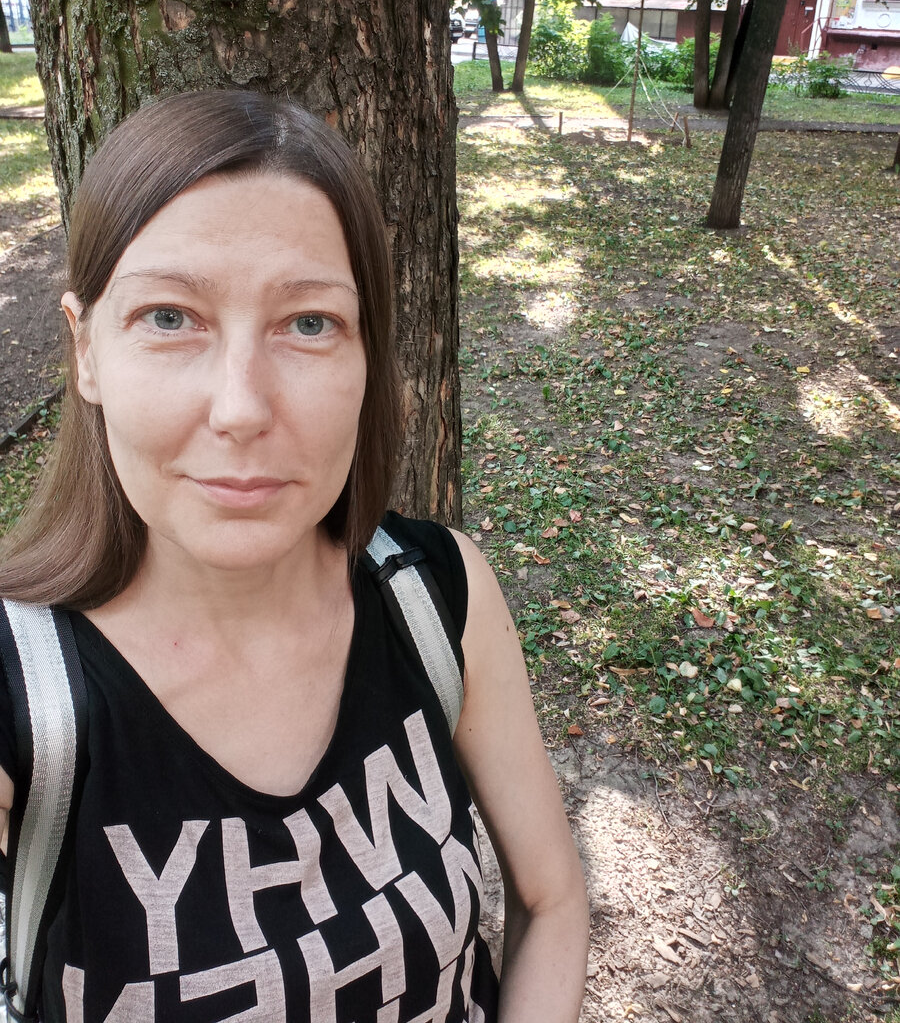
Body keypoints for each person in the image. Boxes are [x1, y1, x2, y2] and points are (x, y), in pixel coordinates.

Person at [0, 89, 589, 1023]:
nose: (241, 408)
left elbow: (551, 899)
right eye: (169, 317)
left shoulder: (435, 595)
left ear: (367, 358)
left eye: (308, 323)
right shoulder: (20, 693)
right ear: (86, 353)